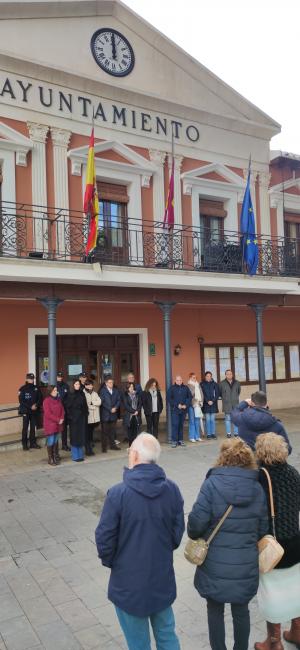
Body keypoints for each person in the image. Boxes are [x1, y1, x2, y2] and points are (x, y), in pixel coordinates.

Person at [95, 433, 184, 650]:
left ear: (134, 455)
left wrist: (115, 563)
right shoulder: (171, 489)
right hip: (161, 577)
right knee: (166, 635)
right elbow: (177, 533)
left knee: (137, 643)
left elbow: (104, 538)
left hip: (128, 583)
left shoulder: (118, 494)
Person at [187, 437, 269, 650]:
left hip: (214, 564)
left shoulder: (211, 484)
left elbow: (195, 526)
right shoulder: (257, 489)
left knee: (214, 610)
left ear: (223, 458)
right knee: (241, 611)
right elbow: (263, 530)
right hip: (245, 564)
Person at [254, 433, 300, 650]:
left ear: (261, 452)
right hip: (295, 542)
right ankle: (297, 632)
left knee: (271, 593)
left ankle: (274, 642)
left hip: (272, 546)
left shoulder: (260, 477)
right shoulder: (293, 473)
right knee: (295, 589)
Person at [65, 379, 88, 462]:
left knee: (81, 436)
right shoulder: (69, 394)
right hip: (74, 419)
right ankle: (75, 456)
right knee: (74, 437)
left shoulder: (82, 393)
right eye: (76, 384)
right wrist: (71, 417)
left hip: (81, 418)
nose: (78, 386)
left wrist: (86, 414)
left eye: (78, 384)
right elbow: (67, 407)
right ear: (73, 385)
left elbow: (85, 405)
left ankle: (80, 455)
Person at [18, 372, 42, 450]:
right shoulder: (22, 389)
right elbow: (21, 400)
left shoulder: (36, 388)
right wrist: (30, 406)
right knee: (25, 428)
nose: (31, 380)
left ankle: (33, 443)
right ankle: (24, 444)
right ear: (26, 379)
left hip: (34, 411)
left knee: (33, 428)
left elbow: (40, 398)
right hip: (26, 411)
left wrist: (36, 405)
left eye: (32, 378)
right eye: (30, 379)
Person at [166, 375, 192, 448]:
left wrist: (185, 405)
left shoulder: (185, 388)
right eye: (177, 380)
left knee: (181, 425)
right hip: (175, 410)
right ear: (175, 381)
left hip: (183, 410)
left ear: (182, 380)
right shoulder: (172, 388)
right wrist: (177, 405)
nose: (179, 381)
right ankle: (174, 441)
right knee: (175, 425)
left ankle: (180, 440)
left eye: (180, 380)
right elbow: (168, 398)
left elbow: (189, 397)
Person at [42, 385, 64, 466]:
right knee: (51, 441)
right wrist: (58, 420)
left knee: (55, 441)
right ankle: (50, 458)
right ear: (50, 391)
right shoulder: (46, 401)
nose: (56, 392)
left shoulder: (58, 400)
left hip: (58, 424)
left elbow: (62, 410)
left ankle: (55, 456)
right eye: (54, 390)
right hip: (50, 424)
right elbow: (48, 414)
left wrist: (62, 418)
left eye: (56, 390)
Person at [99, 377, 121, 453]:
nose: (111, 384)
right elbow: (102, 402)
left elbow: (119, 400)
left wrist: (115, 407)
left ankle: (113, 446)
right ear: (106, 383)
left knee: (112, 431)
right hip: (105, 414)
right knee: (104, 432)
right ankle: (104, 448)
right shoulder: (102, 391)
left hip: (113, 414)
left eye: (112, 382)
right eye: (110, 382)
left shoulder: (116, 390)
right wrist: (110, 409)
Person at [218, 369, 241, 438]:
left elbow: (238, 392)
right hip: (227, 404)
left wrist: (235, 398)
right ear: (225, 375)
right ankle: (228, 433)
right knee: (227, 419)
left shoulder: (237, 383)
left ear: (232, 375)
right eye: (227, 374)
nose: (229, 375)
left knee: (235, 419)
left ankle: (236, 433)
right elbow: (220, 393)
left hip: (235, 403)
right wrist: (225, 398)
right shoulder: (222, 383)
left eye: (230, 374)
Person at [84, 378, 101, 456]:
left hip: (94, 418)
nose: (90, 386)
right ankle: (88, 450)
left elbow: (99, 402)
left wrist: (92, 403)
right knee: (87, 434)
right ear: (85, 385)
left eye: (91, 385)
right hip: (88, 417)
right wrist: (94, 406)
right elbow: (86, 405)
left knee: (91, 434)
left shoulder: (95, 393)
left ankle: (90, 448)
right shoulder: (83, 393)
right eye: (88, 385)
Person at [122, 382, 142, 446]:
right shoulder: (125, 395)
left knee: (135, 432)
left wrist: (137, 411)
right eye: (130, 387)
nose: (131, 388)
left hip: (136, 416)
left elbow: (140, 404)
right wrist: (134, 411)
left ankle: (135, 446)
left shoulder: (137, 394)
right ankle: (130, 446)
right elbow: (126, 405)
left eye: (132, 387)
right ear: (127, 388)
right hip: (129, 416)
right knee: (130, 433)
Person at [201, 371, 220, 439]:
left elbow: (217, 394)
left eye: (210, 376)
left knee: (212, 419)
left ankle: (213, 433)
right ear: (205, 377)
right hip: (206, 404)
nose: (208, 377)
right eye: (207, 376)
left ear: (211, 377)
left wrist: (213, 401)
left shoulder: (215, 384)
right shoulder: (202, 384)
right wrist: (207, 401)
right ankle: (208, 434)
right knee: (207, 419)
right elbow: (202, 394)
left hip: (213, 404)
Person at [187, 372, 204, 442]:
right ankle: (192, 436)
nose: (195, 379)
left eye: (195, 377)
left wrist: (201, 401)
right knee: (192, 421)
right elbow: (189, 395)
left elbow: (201, 394)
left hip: (198, 405)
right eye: (193, 377)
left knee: (197, 421)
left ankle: (197, 436)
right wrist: (194, 400)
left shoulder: (198, 385)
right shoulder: (188, 385)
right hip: (191, 405)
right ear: (190, 378)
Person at [56, 371, 70, 451]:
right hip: (56, 410)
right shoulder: (54, 386)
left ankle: (64, 445)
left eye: (61, 377)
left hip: (64, 410)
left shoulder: (66, 386)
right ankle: (55, 446)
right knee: (55, 429)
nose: (60, 378)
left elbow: (68, 398)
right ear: (56, 377)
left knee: (64, 429)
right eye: (58, 377)